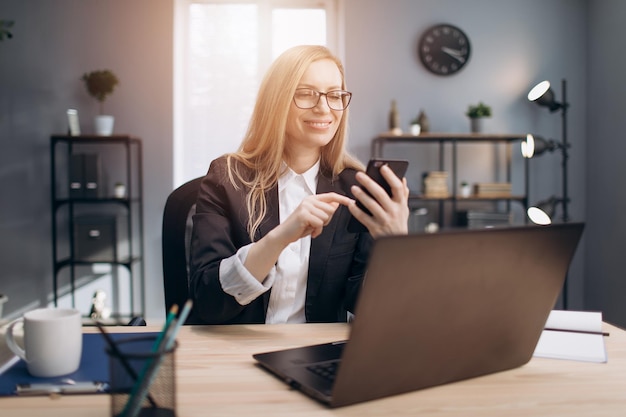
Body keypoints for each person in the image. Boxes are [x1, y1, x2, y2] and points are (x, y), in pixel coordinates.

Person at [189, 45, 409, 324]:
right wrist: (280, 238)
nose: (324, 107)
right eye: (306, 94)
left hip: (317, 355)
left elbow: (367, 307)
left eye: (335, 95)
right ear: (277, 101)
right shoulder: (227, 176)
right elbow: (208, 300)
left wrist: (395, 247)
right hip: (237, 349)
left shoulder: (355, 189)